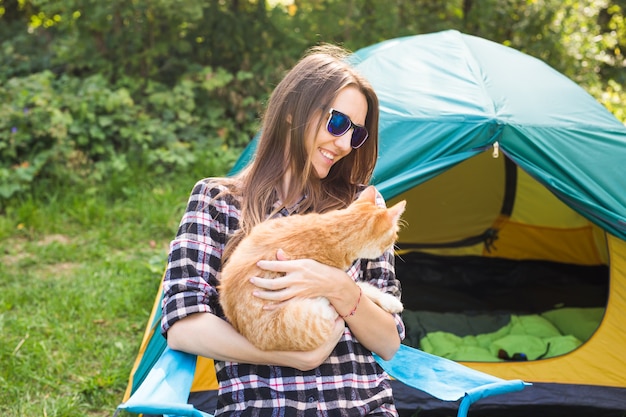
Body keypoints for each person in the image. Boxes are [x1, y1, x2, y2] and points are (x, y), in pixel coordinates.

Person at [161, 44, 406, 416]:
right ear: (293, 112)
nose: (344, 144)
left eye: (356, 134)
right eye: (337, 123)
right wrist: (294, 356)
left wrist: (338, 287)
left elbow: (389, 342)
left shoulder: (362, 208)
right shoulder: (216, 201)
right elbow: (183, 325)